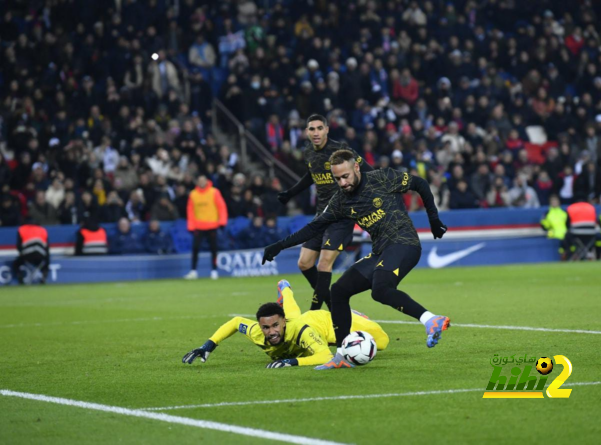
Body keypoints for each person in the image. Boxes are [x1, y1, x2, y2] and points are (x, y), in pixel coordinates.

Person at [262, 149, 449, 370]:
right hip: (380, 250)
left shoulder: (382, 178)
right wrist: (280, 245)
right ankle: (341, 354)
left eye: (345, 176)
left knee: (380, 289)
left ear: (356, 168)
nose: (342, 182)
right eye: (337, 178)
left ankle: (430, 319)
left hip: (403, 242)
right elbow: (314, 227)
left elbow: (420, 184)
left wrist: (434, 220)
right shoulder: (340, 201)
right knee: (339, 291)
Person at [276, 114, 373, 310]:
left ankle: (314, 312)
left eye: (320, 128)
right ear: (306, 132)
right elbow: (310, 175)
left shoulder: (340, 151)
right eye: (312, 129)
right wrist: (291, 193)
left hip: (341, 216)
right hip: (321, 216)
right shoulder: (309, 151)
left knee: (323, 265)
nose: (316, 133)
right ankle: (333, 304)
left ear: (327, 129)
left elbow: (368, 171)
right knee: (304, 263)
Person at [182, 280, 389, 368]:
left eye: (274, 326)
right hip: (295, 319)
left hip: (325, 323)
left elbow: (325, 356)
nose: (270, 332)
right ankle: (285, 290)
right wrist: (208, 345)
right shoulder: (258, 331)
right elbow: (236, 322)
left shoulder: (299, 331)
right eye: (266, 328)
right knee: (292, 312)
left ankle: (351, 313)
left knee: (381, 342)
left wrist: (292, 362)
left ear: (282, 324)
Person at [185, 175, 228, 280]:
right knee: (195, 249)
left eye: (203, 180)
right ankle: (193, 271)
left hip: (212, 225)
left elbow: (221, 207)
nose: (201, 182)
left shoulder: (214, 192)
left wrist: (222, 221)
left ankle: (214, 271)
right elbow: (190, 211)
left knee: (214, 249)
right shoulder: (193, 194)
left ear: (206, 181)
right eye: (199, 180)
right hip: (199, 226)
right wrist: (191, 225)